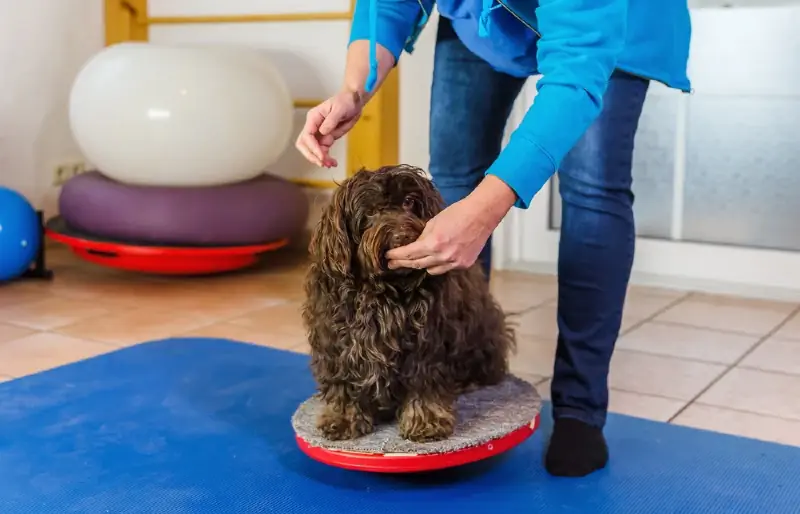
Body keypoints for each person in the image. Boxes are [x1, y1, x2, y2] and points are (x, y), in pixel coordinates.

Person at [296, 0, 691, 477]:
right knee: (455, 180)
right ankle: (444, 367)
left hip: (609, 26)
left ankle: (579, 409)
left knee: (593, 189)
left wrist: (486, 210)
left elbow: (577, 77)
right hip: (481, 24)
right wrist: (352, 89)